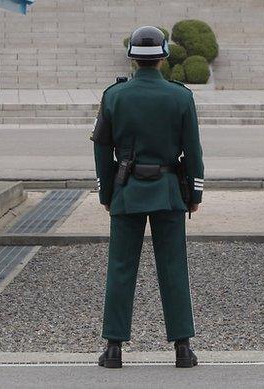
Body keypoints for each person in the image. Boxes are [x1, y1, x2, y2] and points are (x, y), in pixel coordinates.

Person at [91, 26, 204, 369]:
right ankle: (182, 348)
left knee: (121, 267)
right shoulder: (181, 96)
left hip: (127, 192)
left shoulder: (114, 96)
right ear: (163, 56)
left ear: (132, 59)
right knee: (173, 267)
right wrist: (194, 193)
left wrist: (107, 192)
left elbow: (102, 148)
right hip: (169, 192)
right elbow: (193, 151)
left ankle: (113, 348)